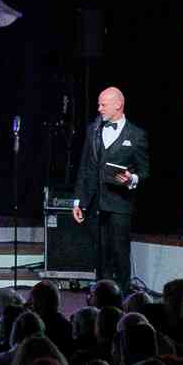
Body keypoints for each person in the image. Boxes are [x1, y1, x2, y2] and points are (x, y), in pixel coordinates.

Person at [70, 85, 148, 285]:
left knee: (120, 253)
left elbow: (144, 172)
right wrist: (78, 201)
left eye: (103, 105)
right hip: (95, 204)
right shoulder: (94, 130)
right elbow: (85, 167)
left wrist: (131, 179)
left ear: (118, 105)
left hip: (119, 204)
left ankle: (122, 294)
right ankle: (101, 294)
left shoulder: (136, 135)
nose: (99, 109)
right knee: (99, 254)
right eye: (99, 104)